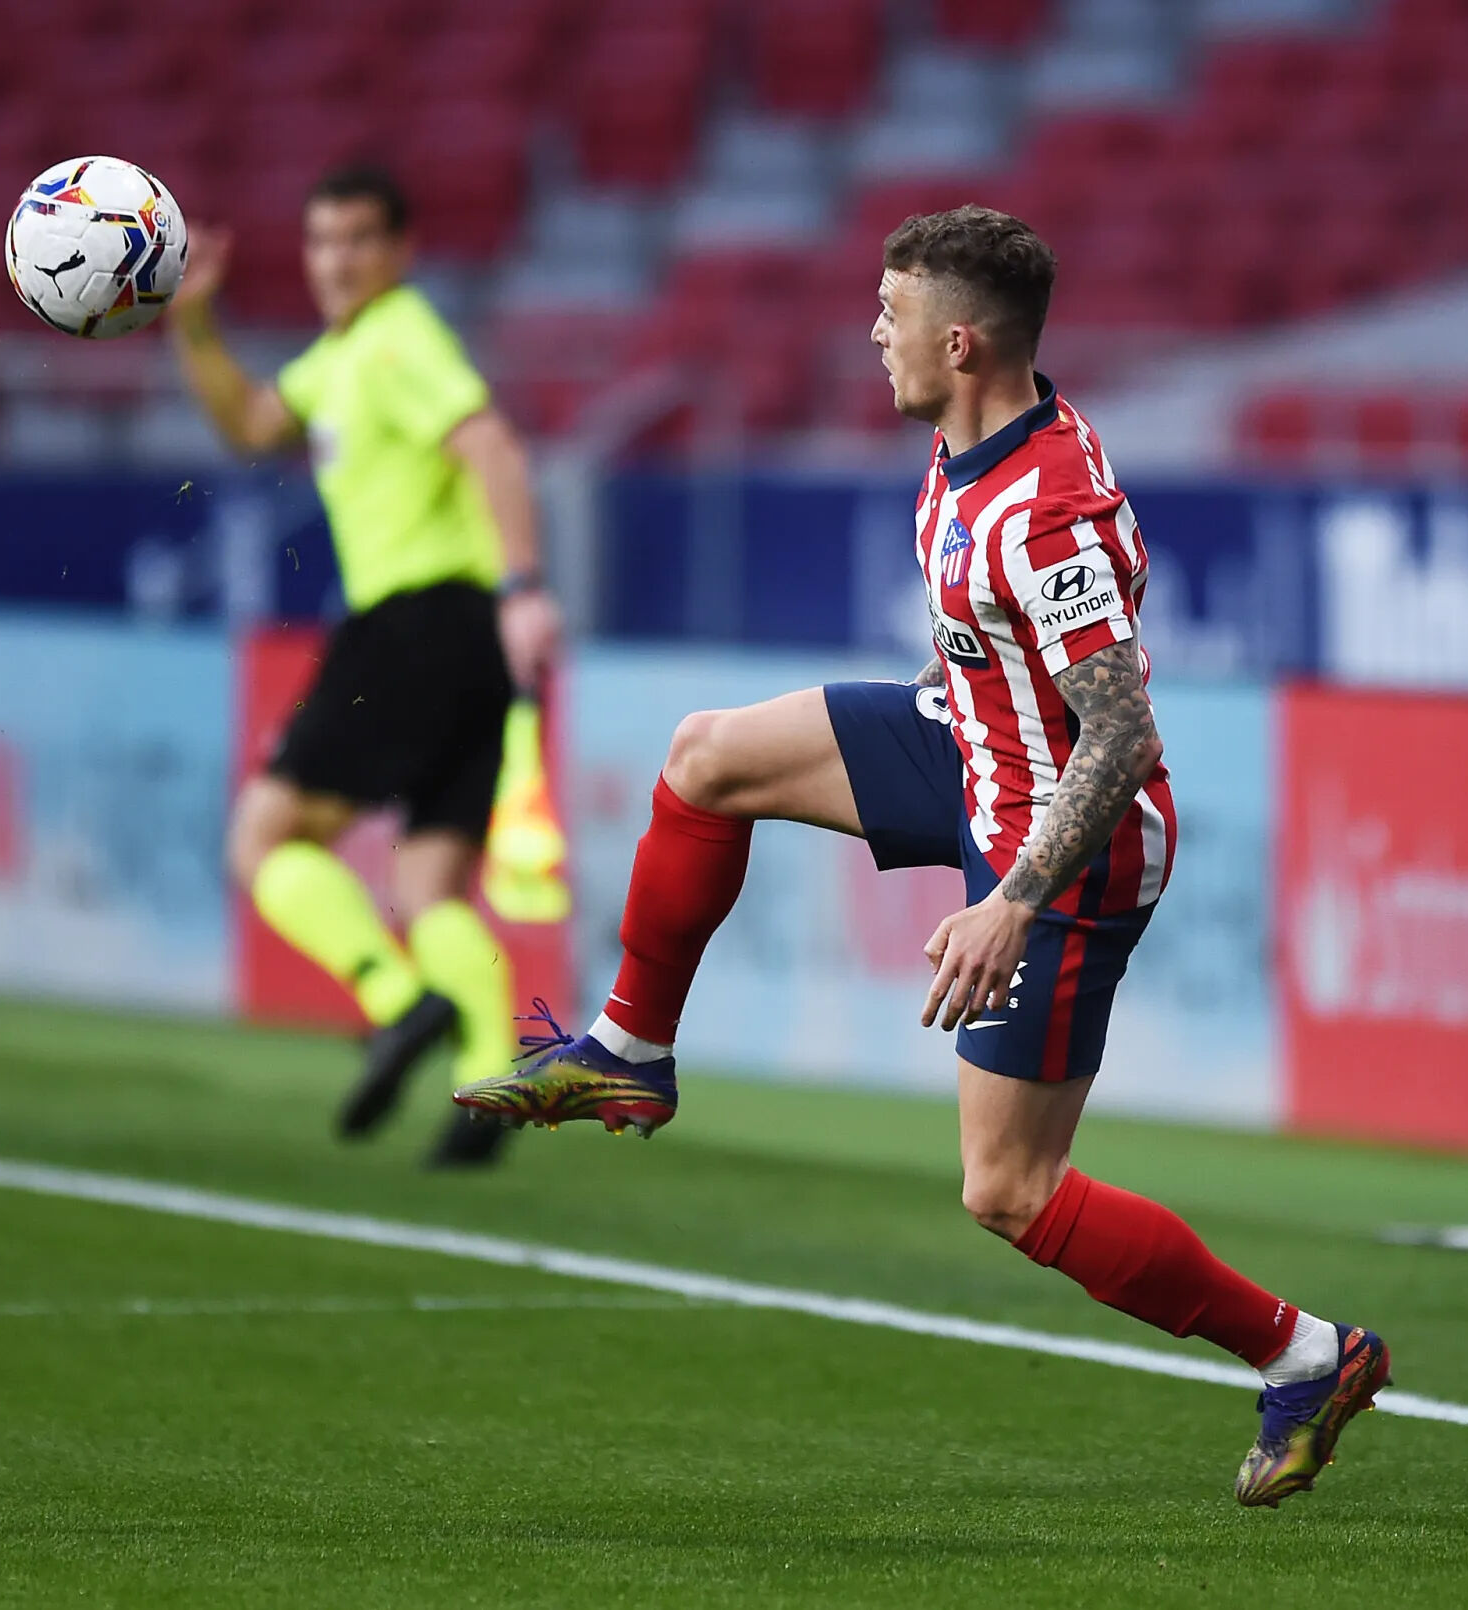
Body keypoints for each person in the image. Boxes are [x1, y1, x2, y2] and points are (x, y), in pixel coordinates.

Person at [455, 207, 1387, 1506]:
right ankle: (633, 1049)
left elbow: (1120, 738)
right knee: (703, 756)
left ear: (958, 341)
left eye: (888, 315)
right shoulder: (966, 442)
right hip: (964, 747)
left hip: (1073, 845)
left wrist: (1010, 899)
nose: (868, 334)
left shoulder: (1043, 512)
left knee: (1007, 1188)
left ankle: (1308, 1352)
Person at [167, 164, 563, 1167]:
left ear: (401, 251)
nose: (336, 260)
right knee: (431, 882)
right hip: (461, 635)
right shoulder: (342, 356)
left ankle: (396, 1005)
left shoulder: (399, 340)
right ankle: (488, 1081)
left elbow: (493, 446)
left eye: (356, 240)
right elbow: (256, 425)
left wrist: (525, 584)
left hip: (419, 617)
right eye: (321, 241)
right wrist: (195, 328)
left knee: (264, 836)